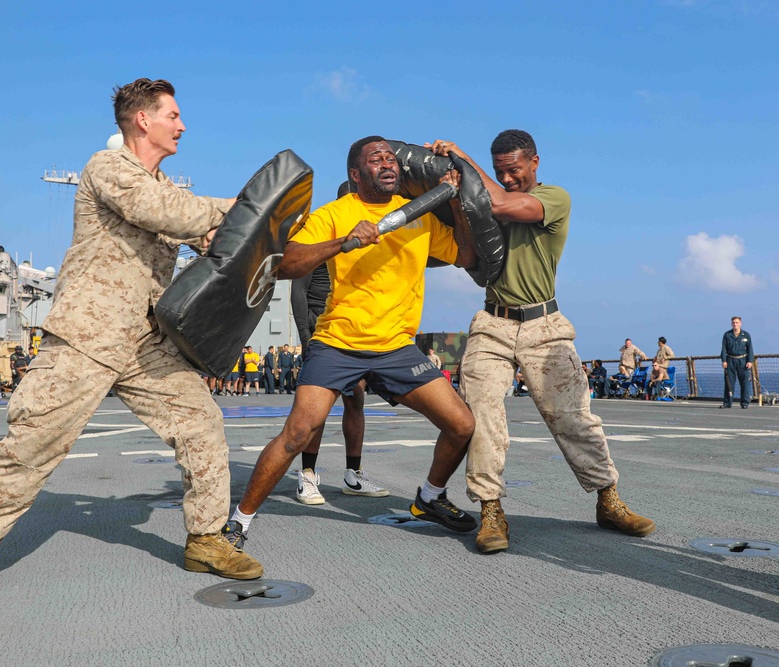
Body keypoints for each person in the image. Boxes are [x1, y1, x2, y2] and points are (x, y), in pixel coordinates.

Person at [0, 77, 261, 613]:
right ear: (143, 119)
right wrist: (246, 205)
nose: (182, 125)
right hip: (86, 337)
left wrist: (286, 229)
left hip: (147, 343)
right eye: (173, 115)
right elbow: (173, 216)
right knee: (31, 445)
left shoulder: (172, 190)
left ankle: (205, 539)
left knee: (202, 425)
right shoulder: (109, 169)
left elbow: (214, 237)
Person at [222, 135, 478, 555]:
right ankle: (240, 522)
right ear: (356, 174)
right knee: (297, 433)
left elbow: (466, 257)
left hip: (396, 347)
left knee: (462, 425)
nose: (388, 163)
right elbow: (285, 264)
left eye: (391, 158)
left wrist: (452, 203)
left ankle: (430, 497)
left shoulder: (421, 217)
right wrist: (344, 242)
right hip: (338, 342)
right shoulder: (335, 214)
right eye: (376, 159)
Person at [425, 130, 655, 555]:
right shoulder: (484, 196)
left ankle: (609, 500)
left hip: (543, 325)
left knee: (572, 418)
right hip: (492, 322)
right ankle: (491, 511)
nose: (507, 178)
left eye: (513, 170)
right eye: (499, 172)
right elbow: (467, 254)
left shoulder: (554, 198)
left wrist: (461, 157)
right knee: (481, 415)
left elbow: (500, 204)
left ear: (534, 162)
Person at [290, 191, 385, 503]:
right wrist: (306, 340)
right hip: (321, 329)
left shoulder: (370, 241)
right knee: (317, 406)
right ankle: (307, 474)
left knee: (355, 398)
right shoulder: (324, 237)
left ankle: (353, 475)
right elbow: (298, 292)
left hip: (353, 332)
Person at [721, 316, 754, 409]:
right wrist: (724, 360)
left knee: (744, 383)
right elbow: (723, 348)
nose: (735, 324)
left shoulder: (746, 335)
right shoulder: (727, 335)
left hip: (743, 361)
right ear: (731, 324)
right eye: (733, 323)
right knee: (729, 383)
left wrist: (750, 361)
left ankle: (744, 403)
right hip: (730, 360)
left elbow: (750, 349)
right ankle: (727, 402)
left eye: (737, 322)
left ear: (740, 323)